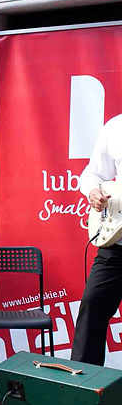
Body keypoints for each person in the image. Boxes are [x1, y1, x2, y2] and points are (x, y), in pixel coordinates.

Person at [72, 114, 122, 366]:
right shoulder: (116, 127)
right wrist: (93, 191)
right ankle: (81, 391)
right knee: (92, 304)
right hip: (116, 246)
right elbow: (92, 173)